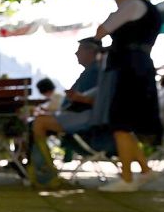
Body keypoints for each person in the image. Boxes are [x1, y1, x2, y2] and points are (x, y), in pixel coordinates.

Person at [93, 0, 163, 192]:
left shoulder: (131, 5)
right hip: (142, 65)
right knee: (126, 124)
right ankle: (144, 170)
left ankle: (127, 179)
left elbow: (102, 30)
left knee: (120, 122)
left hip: (129, 68)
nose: (115, 2)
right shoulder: (151, 10)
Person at [27, 39, 105, 187]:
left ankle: (45, 175)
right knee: (38, 122)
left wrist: (77, 98)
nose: (76, 53)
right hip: (80, 114)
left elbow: (95, 99)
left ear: (90, 52)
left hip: (86, 116)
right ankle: (43, 172)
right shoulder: (94, 71)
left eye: (80, 50)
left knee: (39, 123)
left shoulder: (96, 71)